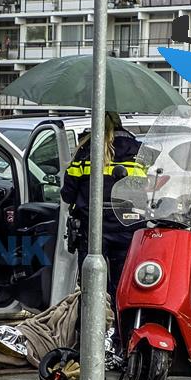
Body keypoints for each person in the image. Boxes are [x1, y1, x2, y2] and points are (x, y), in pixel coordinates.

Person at [61, 112, 145, 327]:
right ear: (120, 125)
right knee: (123, 285)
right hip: (127, 227)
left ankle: (91, 334)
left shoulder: (85, 151)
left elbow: (67, 195)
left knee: (91, 287)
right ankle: (122, 334)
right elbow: (148, 191)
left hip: (92, 229)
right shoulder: (138, 152)